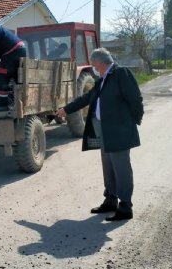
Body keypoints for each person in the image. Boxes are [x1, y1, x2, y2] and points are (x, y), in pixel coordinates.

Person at [56, 48, 143, 221]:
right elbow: (87, 98)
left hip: (119, 131)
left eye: (93, 63)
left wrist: (132, 122)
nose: (93, 67)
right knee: (109, 168)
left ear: (100, 62)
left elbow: (136, 100)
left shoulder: (121, 74)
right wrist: (66, 109)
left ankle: (125, 207)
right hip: (104, 130)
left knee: (121, 169)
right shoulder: (102, 80)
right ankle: (110, 200)